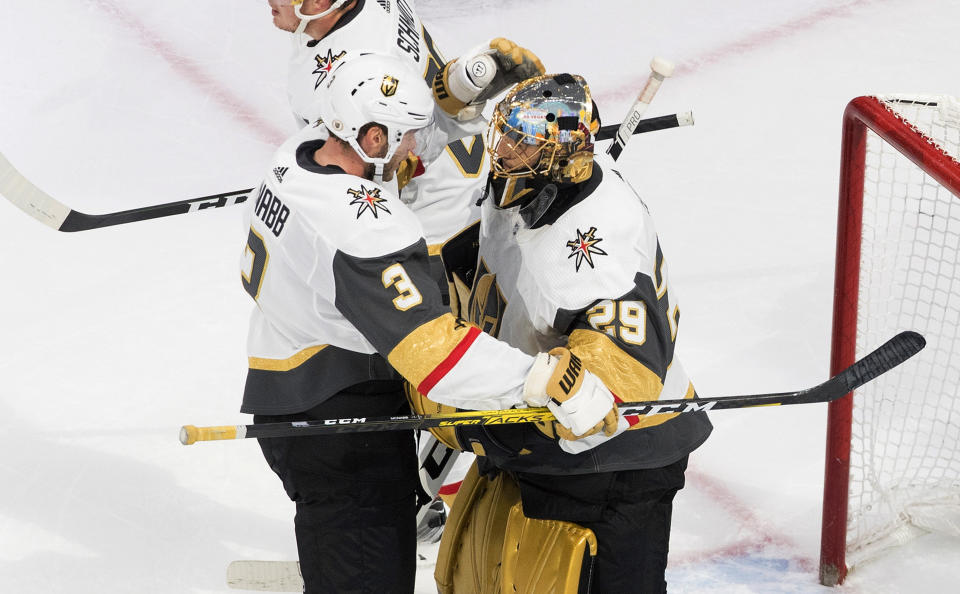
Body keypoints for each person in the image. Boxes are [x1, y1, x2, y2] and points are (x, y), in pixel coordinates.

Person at [238, 54, 621, 593]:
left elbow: (400, 152)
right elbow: (435, 351)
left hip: (292, 380)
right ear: (372, 139)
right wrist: (536, 379)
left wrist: (457, 96)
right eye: (407, 137)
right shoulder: (361, 228)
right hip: (341, 424)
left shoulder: (301, 153)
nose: (418, 150)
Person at [264, 1, 546, 539]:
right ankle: (412, 493)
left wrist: (318, 188)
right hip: (454, 195)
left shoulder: (352, 59)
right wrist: (462, 83)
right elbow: (419, 102)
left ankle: (412, 502)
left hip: (423, 219)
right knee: (448, 346)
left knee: (426, 353)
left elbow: (400, 155)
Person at [427, 74, 713, 593]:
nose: (505, 148)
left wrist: (573, 377)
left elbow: (628, 370)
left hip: (623, 453)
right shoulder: (526, 182)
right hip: (555, 435)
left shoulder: (596, 255)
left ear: (562, 158)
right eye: (506, 133)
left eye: (523, 141)